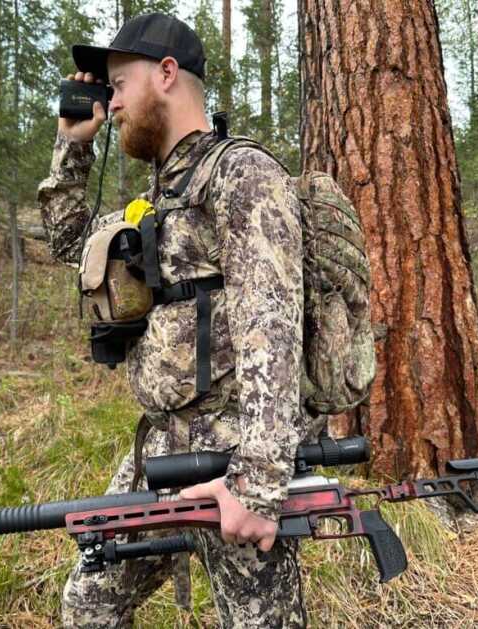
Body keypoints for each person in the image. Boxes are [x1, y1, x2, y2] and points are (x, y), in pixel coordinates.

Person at [37, 13, 309, 628]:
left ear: (165, 74)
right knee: (90, 605)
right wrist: (73, 148)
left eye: (117, 85)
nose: (112, 102)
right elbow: (71, 243)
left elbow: (273, 326)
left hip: (232, 456)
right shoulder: (161, 195)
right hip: (159, 447)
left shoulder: (242, 175)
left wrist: (258, 486)